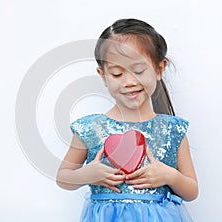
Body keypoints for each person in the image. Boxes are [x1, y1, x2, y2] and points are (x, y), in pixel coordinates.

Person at [56, 18, 198, 222]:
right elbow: (63, 177)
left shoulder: (172, 130)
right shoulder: (90, 128)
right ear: (103, 75)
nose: (129, 82)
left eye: (139, 71)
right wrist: (87, 174)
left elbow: (192, 191)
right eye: (117, 73)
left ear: (159, 69)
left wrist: (169, 176)